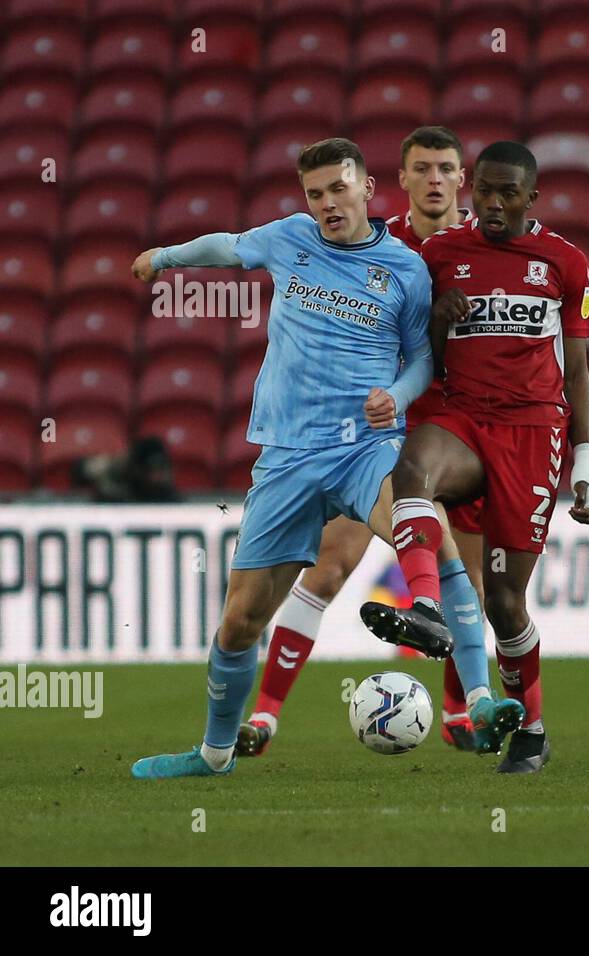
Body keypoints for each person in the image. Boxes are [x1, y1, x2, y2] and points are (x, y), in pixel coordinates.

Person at [128, 138, 448, 778]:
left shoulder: (406, 269)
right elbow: (228, 245)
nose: (328, 203)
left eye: (339, 188)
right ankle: (216, 754)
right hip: (287, 454)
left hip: (363, 442)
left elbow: (423, 360)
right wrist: (166, 257)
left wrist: (399, 395)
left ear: (366, 187)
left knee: (409, 504)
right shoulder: (290, 237)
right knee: (241, 621)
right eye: (316, 192)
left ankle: (432, 617)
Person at [237, 126, 522, 759]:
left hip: (454, 435)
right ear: (400, 178)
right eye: (421, 167)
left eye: (446, 167)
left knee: (468, 582)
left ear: (462, 180)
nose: (434, 178)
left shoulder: (483, 251)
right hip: (374, 439)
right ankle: (263, 715)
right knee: (330, 566)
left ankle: (462, 713)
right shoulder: (381, 244)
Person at [358, 141, 589, 774]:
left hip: (531, 430)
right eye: (484, 191)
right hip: (463, 416)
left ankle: (534, 729)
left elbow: (575, 368)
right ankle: (427, 608)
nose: (491, 204)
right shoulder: (440, 254)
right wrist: (438, 317)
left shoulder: (566, 263)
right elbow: (421, 351)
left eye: (506, 194)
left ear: (531, 198)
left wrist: (586, 457)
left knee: (504, 603)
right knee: (412, 468)